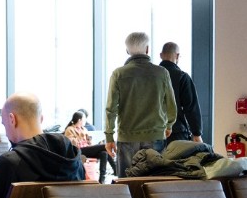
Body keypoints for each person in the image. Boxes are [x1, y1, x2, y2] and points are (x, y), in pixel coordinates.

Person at [106, 32, 176, 177]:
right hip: (155, 135)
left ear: (127, 51)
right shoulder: (162, 73)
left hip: (127, 137)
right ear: (147, 49)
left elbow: (111, 109)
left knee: (127, 184)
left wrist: (109, 137)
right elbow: (171, 105)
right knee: (154, 184)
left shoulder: (118, 74)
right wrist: (169, 125)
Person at [159, 42, 203, 144]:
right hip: (176, 133)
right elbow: (191, 107)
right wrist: (197, 134)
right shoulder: (182, 77)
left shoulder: (152, 77)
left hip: (153, 133)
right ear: (177, 56)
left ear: (160, 55)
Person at [64, 110, 111, 183]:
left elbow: (88, 143)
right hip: (79, 150)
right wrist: (80, 137)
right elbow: (70, 142)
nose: (85, 121)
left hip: (87, 149)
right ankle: (115, 169)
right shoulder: (70, 129)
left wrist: (89, 140)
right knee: (105, 146)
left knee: (104, 153)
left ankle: (102, 179)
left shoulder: (84, 129)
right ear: (80, 120)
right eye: (84, 119)